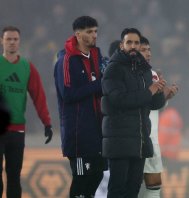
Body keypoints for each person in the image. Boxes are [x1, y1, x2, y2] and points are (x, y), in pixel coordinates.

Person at [101, 28, 166, 198]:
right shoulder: (113, 69)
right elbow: (119, 100)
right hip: (120, 139)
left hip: (140, 139)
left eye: (136, 43)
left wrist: (160, 92)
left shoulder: (144, 70)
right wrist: (149, 91)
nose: (133, 46)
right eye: (129, 42)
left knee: (133, 190)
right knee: (117, 189)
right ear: (122, 45)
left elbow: (152, 104)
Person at [54, 16, 106, 198]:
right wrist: (98, 85)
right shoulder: (66, 61)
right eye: (89, 32)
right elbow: (67, 94)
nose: (94, 35)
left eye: (96, 31)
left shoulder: (96, 57)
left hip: (97, 131)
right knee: (81, 178)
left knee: (98, 173)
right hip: (77, 135)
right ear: (78, 34)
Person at [0, 26, 53, 198]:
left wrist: (47, 122)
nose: (12, 42)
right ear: (2, 41)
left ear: (19, 42)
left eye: (15, 39)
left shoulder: (27, 67)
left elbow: (39, 96)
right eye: (8, 39)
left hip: (17, 130)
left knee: (14, 177)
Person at [138, 36, 179, 198]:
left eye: (149, 50)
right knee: (136, 187)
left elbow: (154, 107)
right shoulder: (132, 76)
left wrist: (165, 98)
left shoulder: (153, 75)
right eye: (143, 50)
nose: (148, 53)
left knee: (155, 186)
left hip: (152, 141)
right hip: (137, 140)